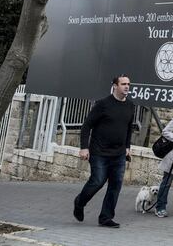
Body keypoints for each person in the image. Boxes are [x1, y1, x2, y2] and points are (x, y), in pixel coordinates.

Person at [73, 74, 135, 228]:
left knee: (116, 185)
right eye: (123, 84)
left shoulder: (130, 105)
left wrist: (127, 147)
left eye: (128, 84)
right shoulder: (103, 104)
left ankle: (106, 217)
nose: (126, 87)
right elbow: (87, 125)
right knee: (97, 181)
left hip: (119, 154)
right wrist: (84, 147)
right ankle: (79, 202)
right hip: (99, 152)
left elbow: (129, 128)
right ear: (115, 85)